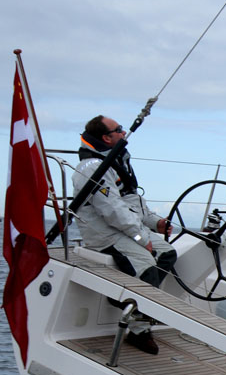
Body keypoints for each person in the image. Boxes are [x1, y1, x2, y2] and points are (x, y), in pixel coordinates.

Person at [71, 115, 176, 355]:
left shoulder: (114, 161)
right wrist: (143, 238)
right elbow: (113, 212)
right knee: (148, 266)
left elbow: (130, 201)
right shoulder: (92, 168)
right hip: (104, 236)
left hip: (124, 230)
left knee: (168, 254)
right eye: (118, 129)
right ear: (106, 138)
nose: (123, 132)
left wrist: (154, 222)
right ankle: (138, 328)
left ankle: (137, 306)